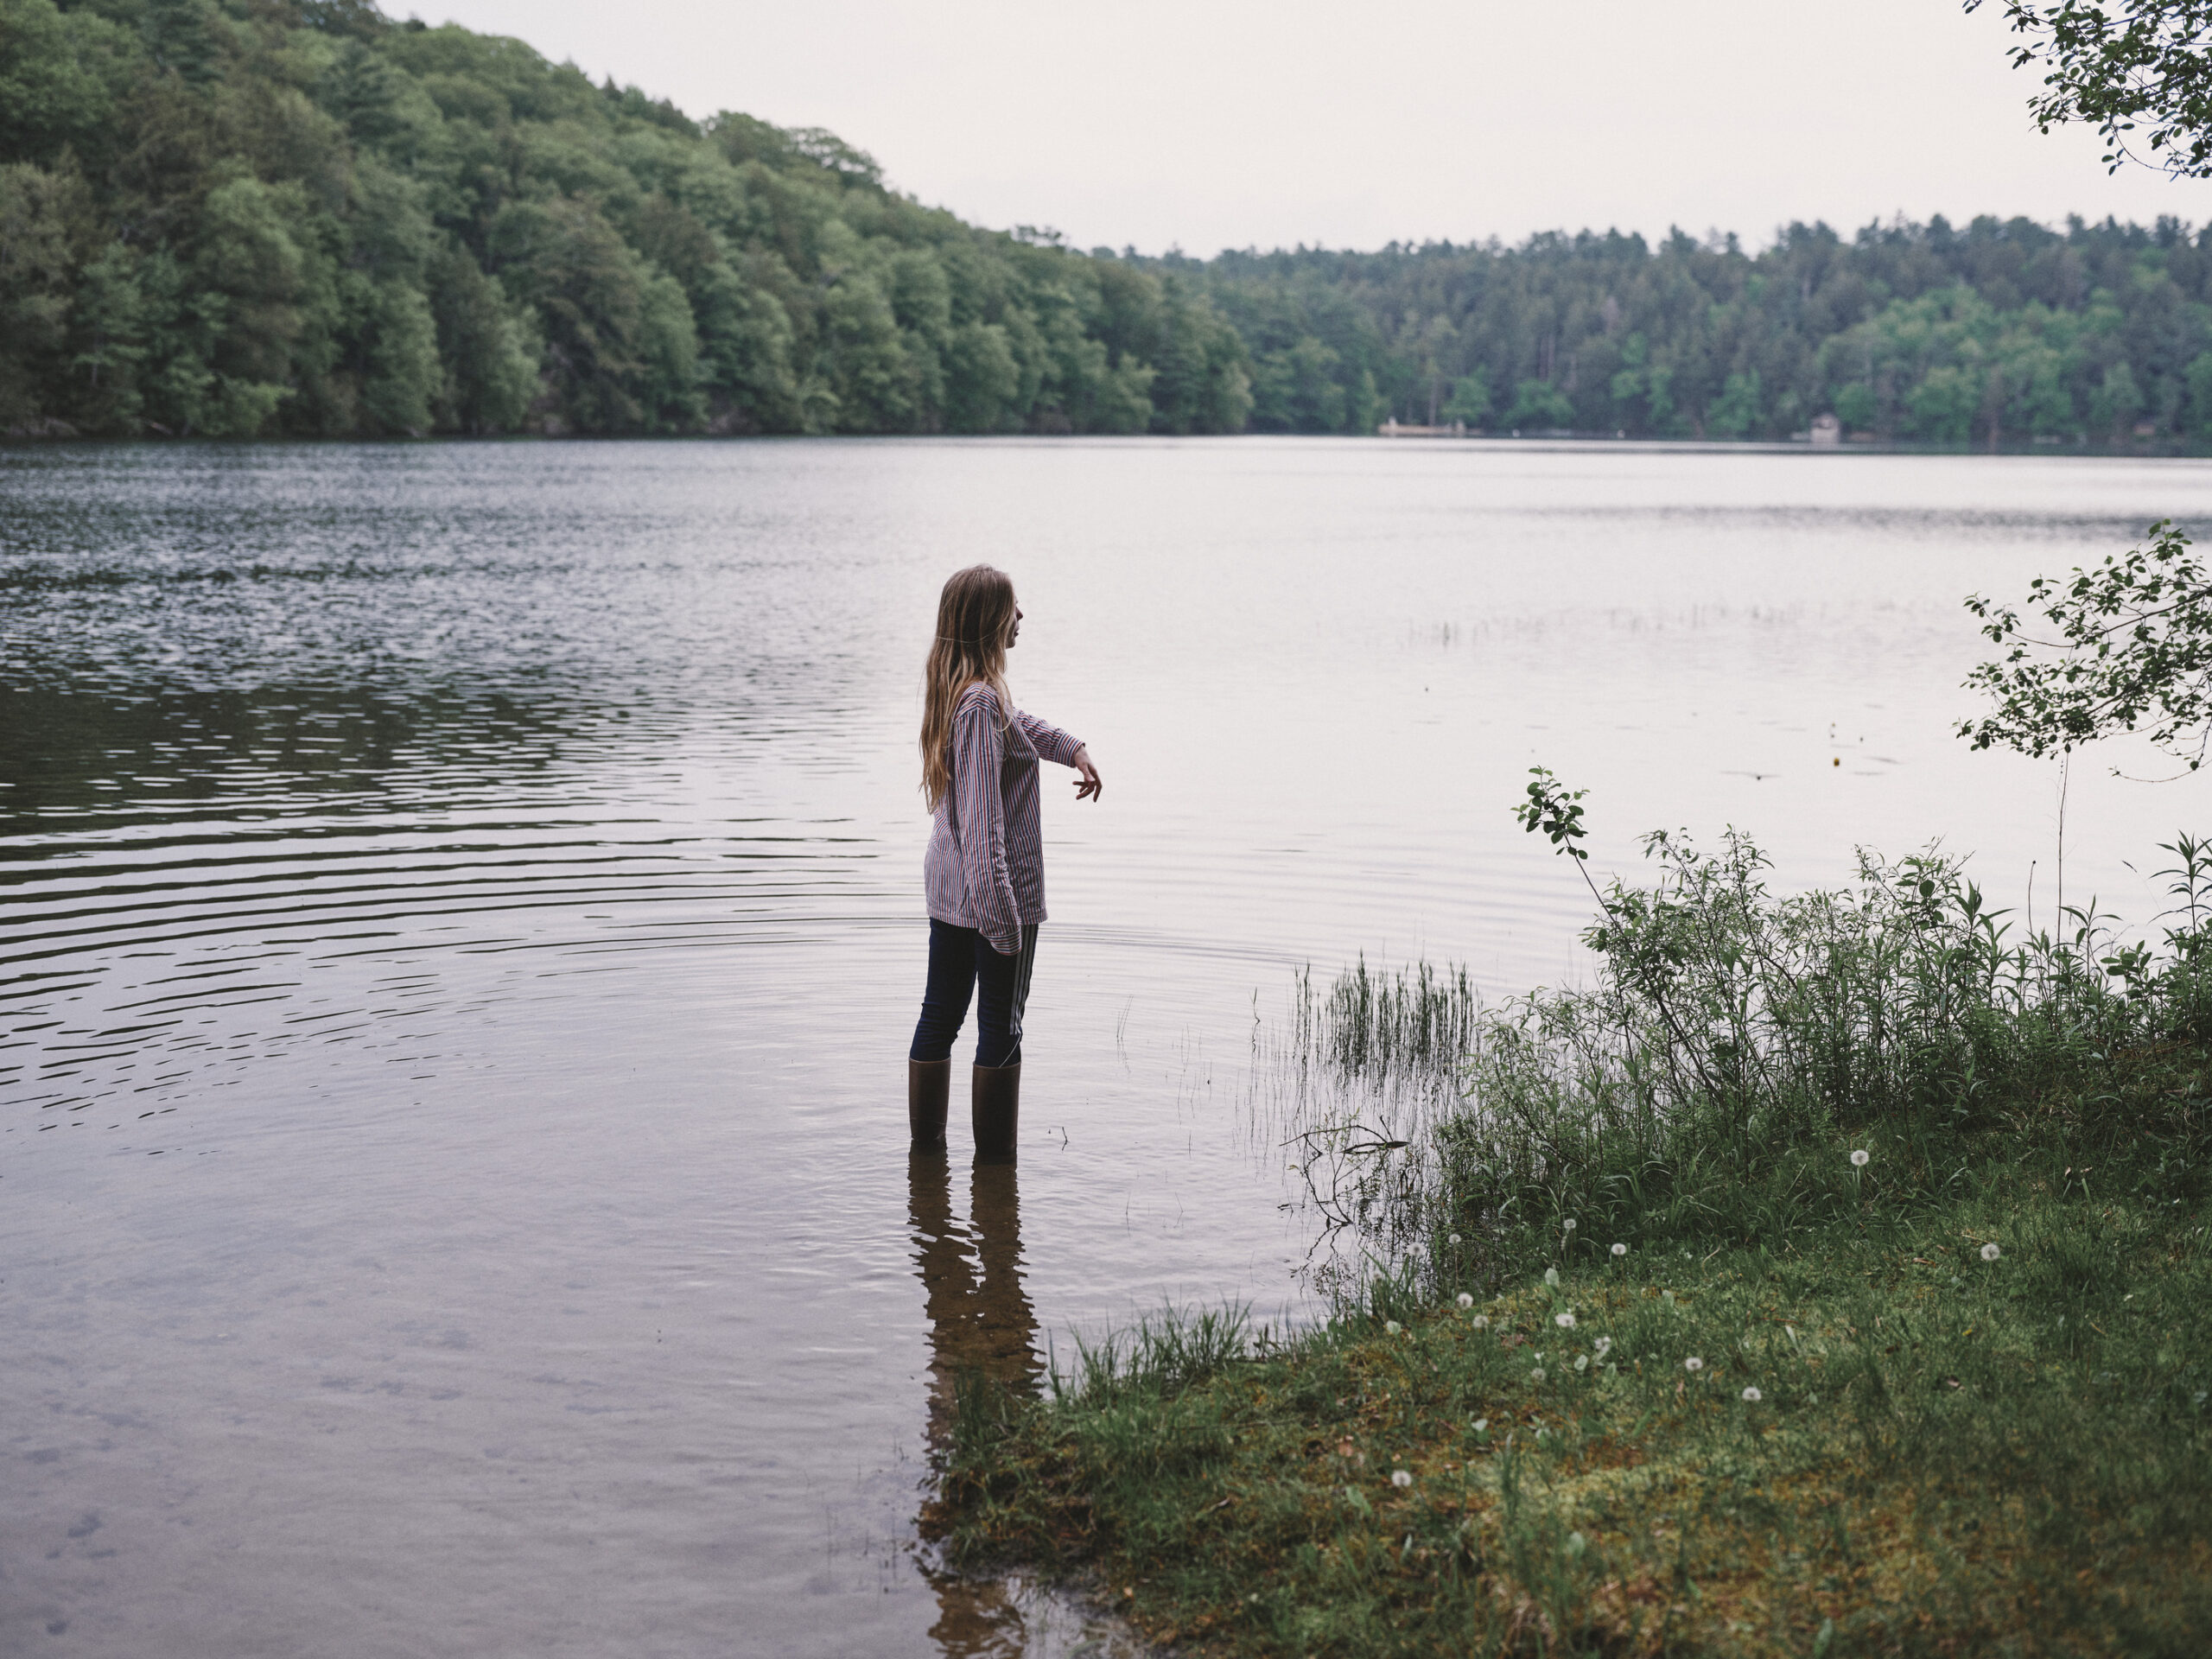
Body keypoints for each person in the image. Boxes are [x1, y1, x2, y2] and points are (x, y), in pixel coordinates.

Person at [908, 565, 1101, 1159]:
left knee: (940, 1016)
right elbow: (985, 831)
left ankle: (928, 1161)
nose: (1021, 618)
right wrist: (1005, 930)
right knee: (1002, 1028)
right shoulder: (980, 705)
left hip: (953, 896)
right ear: (991, 620)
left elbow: (1020, 729)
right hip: (993, 901)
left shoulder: (966, 693)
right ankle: (995, 1177)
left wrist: (1072, 747)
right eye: (1013, 608)